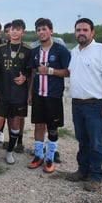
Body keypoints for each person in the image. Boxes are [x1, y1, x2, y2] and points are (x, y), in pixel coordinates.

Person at [65, 18, 102, 192]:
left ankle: (96, 176)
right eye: (78, 30)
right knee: (82, 140)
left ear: (92, 32)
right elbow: (70, 73)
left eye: (85, 30)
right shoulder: (74, 52)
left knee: (96, 142)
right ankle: (83, 170)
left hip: (95, 105)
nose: (81, 33)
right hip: (77, 104)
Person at [0, 19, 31, 169]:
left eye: (18, 29)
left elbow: (31, 71)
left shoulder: (27, 50)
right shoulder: (1, 48)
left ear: (23, 32)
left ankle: (10, 152)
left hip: (19, 94)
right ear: (9, 31)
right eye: (12, 29)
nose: (15, 32)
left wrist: (25, 77)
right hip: (4, 93)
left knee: (15, 124)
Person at [27, 18, 70, 173]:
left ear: (51, 31)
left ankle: (50, 157)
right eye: (38, 30)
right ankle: (38, 155)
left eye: (44, 29)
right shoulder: (35, 51)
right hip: (38, 95)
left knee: (52, 128)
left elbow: (68, 72)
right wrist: (30, 93)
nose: (41, 32)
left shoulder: (61, 50)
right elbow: (33, 73)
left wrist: (50, 71)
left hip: (53, 96)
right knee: (38, 125)